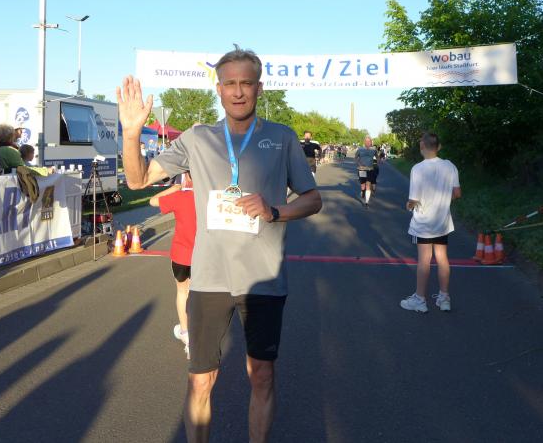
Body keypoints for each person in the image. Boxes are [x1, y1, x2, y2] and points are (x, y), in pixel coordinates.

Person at [117, 46, 322, 443]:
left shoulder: (281, 137)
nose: (238, 91)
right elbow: (138, 179)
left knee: (261, 375)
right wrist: (130, 133)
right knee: (200, 381)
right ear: (219, 89)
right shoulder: (197, 138)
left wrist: (275, 211)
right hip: (209, 278)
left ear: (259, 88)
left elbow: (313, 200)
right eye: (230, 83)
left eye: (246, 83)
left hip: (262, 280)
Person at [401, 132, 461, 313]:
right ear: (439, 147)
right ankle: (444, 298)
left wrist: (409, 206)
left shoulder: (418, 169)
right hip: (442, 221)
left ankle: (420, 300)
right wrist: (442, 200)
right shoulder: (450, 166)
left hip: (423, 223)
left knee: (424, 261)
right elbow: (457, 193)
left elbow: (413, 199)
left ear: (422, 146)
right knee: (442, 258)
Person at [150, 173, 196, 359]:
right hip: (204, 256)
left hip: (181, 255)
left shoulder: (179, 196)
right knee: (202, 295)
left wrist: (174, 188)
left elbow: (153, 201)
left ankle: (186, 334)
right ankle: (200, 333)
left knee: (182, 292)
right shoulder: (210, 197)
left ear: (186, 178)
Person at [354, 136, 378, 208]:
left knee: (368, 185)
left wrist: (376, 163)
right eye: (366, 141)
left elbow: (377, 157)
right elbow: (355, 157)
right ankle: (363, 191)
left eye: (369, 141)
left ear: (371, 142)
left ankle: (366, 202)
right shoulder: (360, 149)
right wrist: (359, 164)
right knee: (362, 185)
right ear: (364, 142)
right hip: (362, 169)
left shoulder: (374, 150)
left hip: (370, 169)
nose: (367, 143)